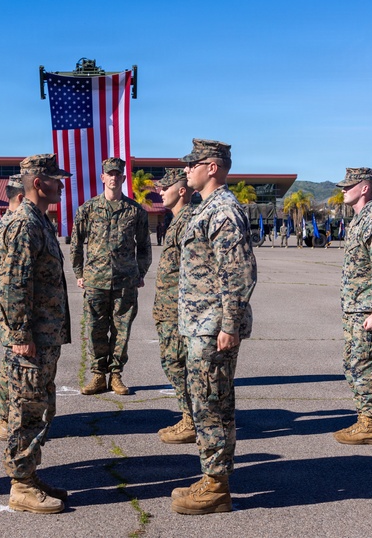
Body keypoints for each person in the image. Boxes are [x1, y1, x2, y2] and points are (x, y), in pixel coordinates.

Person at [172, 139, 257, 515]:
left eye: (192, 164)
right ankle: (211, 476)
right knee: (207, 403)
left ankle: (217, 486)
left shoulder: (223, 211)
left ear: (211, 167)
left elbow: (237, 273)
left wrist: (229, 324)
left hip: (213, 329)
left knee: (213, 406)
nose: (186, 170)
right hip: (200, 325)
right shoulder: (206, 210)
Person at [0, 154, 72, 514]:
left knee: (38, 409)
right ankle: (21, 486)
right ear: (39, 183)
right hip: (31, 339)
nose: (61, 184)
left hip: (44, 336)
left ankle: (29, 474)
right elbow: (13, 286)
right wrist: (21, 334)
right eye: (56, 179)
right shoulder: (23, 225)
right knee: (25, 410)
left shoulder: (39, 221)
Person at [71, 157, 152, 395]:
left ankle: (116, 375)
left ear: (123, 178)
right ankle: (98, 374)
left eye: (118, 174)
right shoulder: (87, 209)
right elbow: (76, 243)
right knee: (95, 327)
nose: (114, 178)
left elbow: (144, 246)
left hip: (126, 280)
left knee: (122, 329)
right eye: (110, 174)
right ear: (102, 177)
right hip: (95, 279)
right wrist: (79, 272)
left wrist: (140, 271)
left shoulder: (135, 211)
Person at [332, 167, 372, 446]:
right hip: (356, 307)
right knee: (354, 365)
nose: (344, 190)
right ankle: (364, 419)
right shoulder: (359, 221)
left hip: (368, 309)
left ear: (365, 188)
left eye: (350, 185)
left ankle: (370, 425)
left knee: (367, 365)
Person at [152, 168, 196, 445]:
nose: (159, 191)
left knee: (179, 365)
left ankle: (192, 420)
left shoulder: (189, 221)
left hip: (180, 313)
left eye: (164, 187)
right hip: (169, 311)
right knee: (174, 364)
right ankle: (189, 416)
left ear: (181, 191)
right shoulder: (176, 220)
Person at [0, 174, 25, 441]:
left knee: (10, 365)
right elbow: (11, 279)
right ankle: (6, 418)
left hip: (10, 307)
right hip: (11, 307)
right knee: (11, 368)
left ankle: (7, 416)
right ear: (22, 196)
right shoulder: (12, 226)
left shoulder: (11, 222)